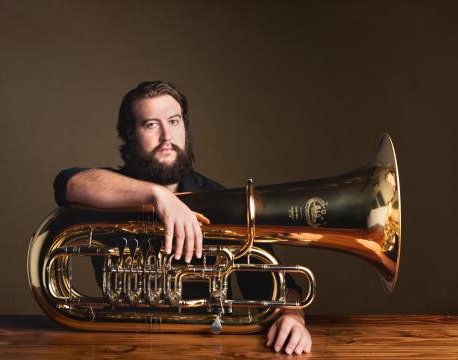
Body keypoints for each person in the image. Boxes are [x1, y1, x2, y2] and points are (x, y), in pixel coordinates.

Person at [53, 81, 312, 355]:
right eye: (151, 124)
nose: (167, 136)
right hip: (120, 346)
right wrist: (157, 196)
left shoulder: (221, 202)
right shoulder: (110, 189)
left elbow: (273, 283)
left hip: (207, 347)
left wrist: (292, 316)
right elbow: (66, 182)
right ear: (130, 135)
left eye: (174, 121)